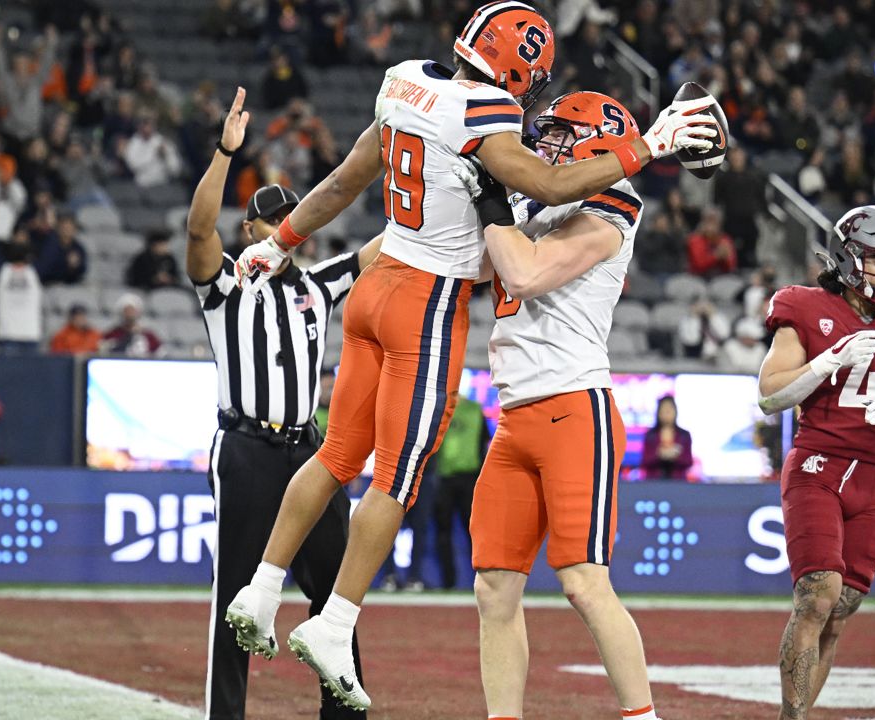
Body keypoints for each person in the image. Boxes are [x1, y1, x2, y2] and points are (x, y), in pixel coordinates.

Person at [225, 1, 716, 709]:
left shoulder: (405, 85)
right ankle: (331, 620)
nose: (541, 140)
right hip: (429, 316)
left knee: (344, 460)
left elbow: (355, 184)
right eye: (542, 129)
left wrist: (283, 242)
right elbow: (534, 198)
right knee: (412, 497)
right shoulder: (502, 147)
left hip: (465, 332)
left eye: (561, 136)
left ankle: (268, 590)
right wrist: (645, 143)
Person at [461, 90, 664, 720]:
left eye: (559, 136)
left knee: (582, 583)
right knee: (494, 586)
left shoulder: (613, 203)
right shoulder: (533, 204)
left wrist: (488, 197)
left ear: (598, 144)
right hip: (515, 416)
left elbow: (523, 274)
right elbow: (468, 267)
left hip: (575, 407)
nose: (543, 147)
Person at [186, 87, 382, 720]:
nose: (285, 230)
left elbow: (388, 249)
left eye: (292, 219)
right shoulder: (226, 288)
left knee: (335, 596)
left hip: (310, 450)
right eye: (272, 221)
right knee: (236, 599)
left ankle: (340, 714)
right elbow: (196, 230)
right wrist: (224, 152)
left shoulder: (320, 285)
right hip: (244, 447)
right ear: (250, 230)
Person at [757, 205, 875, 720]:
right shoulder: (802, 306)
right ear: (847, 257)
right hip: (818, 462)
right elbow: (769, 397)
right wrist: (828, 360)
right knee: (818, 594)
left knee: (841, 610)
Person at [431, 391, 487, 588]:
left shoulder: (464, 409)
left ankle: (473, 581)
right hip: (448, 479)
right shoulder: (447, 409)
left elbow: (483, 444)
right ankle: (452, 581)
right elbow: (484, 444)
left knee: (466, 532)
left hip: (464, 479)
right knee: (452, 533)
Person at [640, 395, 693, 480]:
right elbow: (644, 461)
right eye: (664, 410)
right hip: (653, 483)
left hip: (679, 484)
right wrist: (659, 454)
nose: (667, 413)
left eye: (669, 410)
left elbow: (688, 462)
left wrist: (676, 455)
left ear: (675, 411)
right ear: (658, 412)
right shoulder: (650, 435)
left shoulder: (684, 435)